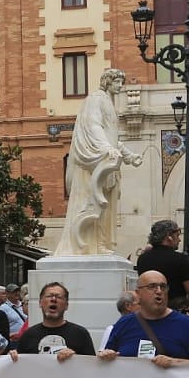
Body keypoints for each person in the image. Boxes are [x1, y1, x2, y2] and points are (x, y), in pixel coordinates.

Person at [56, 67, 143, 255]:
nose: (120, 86)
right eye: (117, 82)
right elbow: (93, 125)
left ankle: (100, 244)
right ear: (107, 82)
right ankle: (91, 245)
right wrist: (106, 149)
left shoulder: (109, 103)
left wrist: (129, 155)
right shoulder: (96, 99)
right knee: (94, 204)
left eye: (121, 82)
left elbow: (111, 137)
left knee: (105, 208)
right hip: (93, 164)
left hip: (106, 162)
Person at [135, 220, 189, 313]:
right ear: (169, 236)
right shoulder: (179, 258)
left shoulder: (142, 258)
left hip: (149, 310)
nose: (179, 239)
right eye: (177, 235)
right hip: (174, 310)